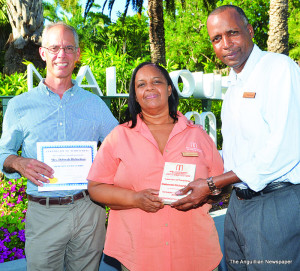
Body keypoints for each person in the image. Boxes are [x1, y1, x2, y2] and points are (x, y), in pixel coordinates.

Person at [172, 5, 300, 271]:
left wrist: (210, 183)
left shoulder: (278, 68)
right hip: (239, 207)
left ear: (250, 31)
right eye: (216, 39)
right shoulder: (233, 88)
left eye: (232, 33)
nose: (226, 44)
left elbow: (285, 148)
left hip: (275, 205)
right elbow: (235, 155)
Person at [0, 22, 118, 270]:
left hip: (89, 211)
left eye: (68, 48)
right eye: (54, 48)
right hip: (44, 214)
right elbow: (4, 153)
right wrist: (17, 162)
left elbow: (121, 147)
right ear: (43, 53)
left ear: (77, 54)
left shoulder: (95, 105)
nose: (61, 55)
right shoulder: (20, 106)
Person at [87, 62, 224, 271]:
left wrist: (206, 192)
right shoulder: (119, 136)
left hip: (195, 253)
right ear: (135, 95)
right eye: (141, 85)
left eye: (156, 82)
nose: (149, 88)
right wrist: (135, 199)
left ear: (169, 89)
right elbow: (95, 187)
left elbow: (221, 185)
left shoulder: (197, 134)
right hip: (139, 255)